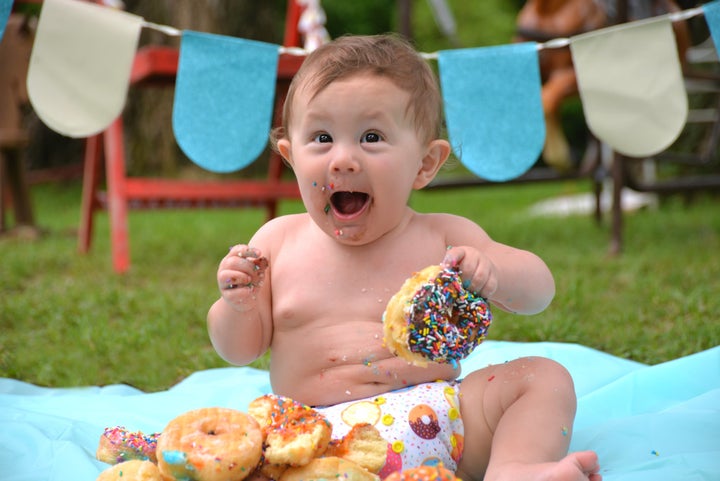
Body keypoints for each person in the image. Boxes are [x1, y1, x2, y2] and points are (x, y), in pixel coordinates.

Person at [207, 34, 601, 481]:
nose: (343, 159)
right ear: (291, 157)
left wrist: (494, 272)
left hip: (442, 420)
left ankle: (515, 469)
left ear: (424, 164)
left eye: (371, 137)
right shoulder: (277, 243)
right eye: (321, 137)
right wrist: (236, 305)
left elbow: (539, 291)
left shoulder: (444, 237)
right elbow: (238, 351)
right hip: (315, 441)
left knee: (544, 376)